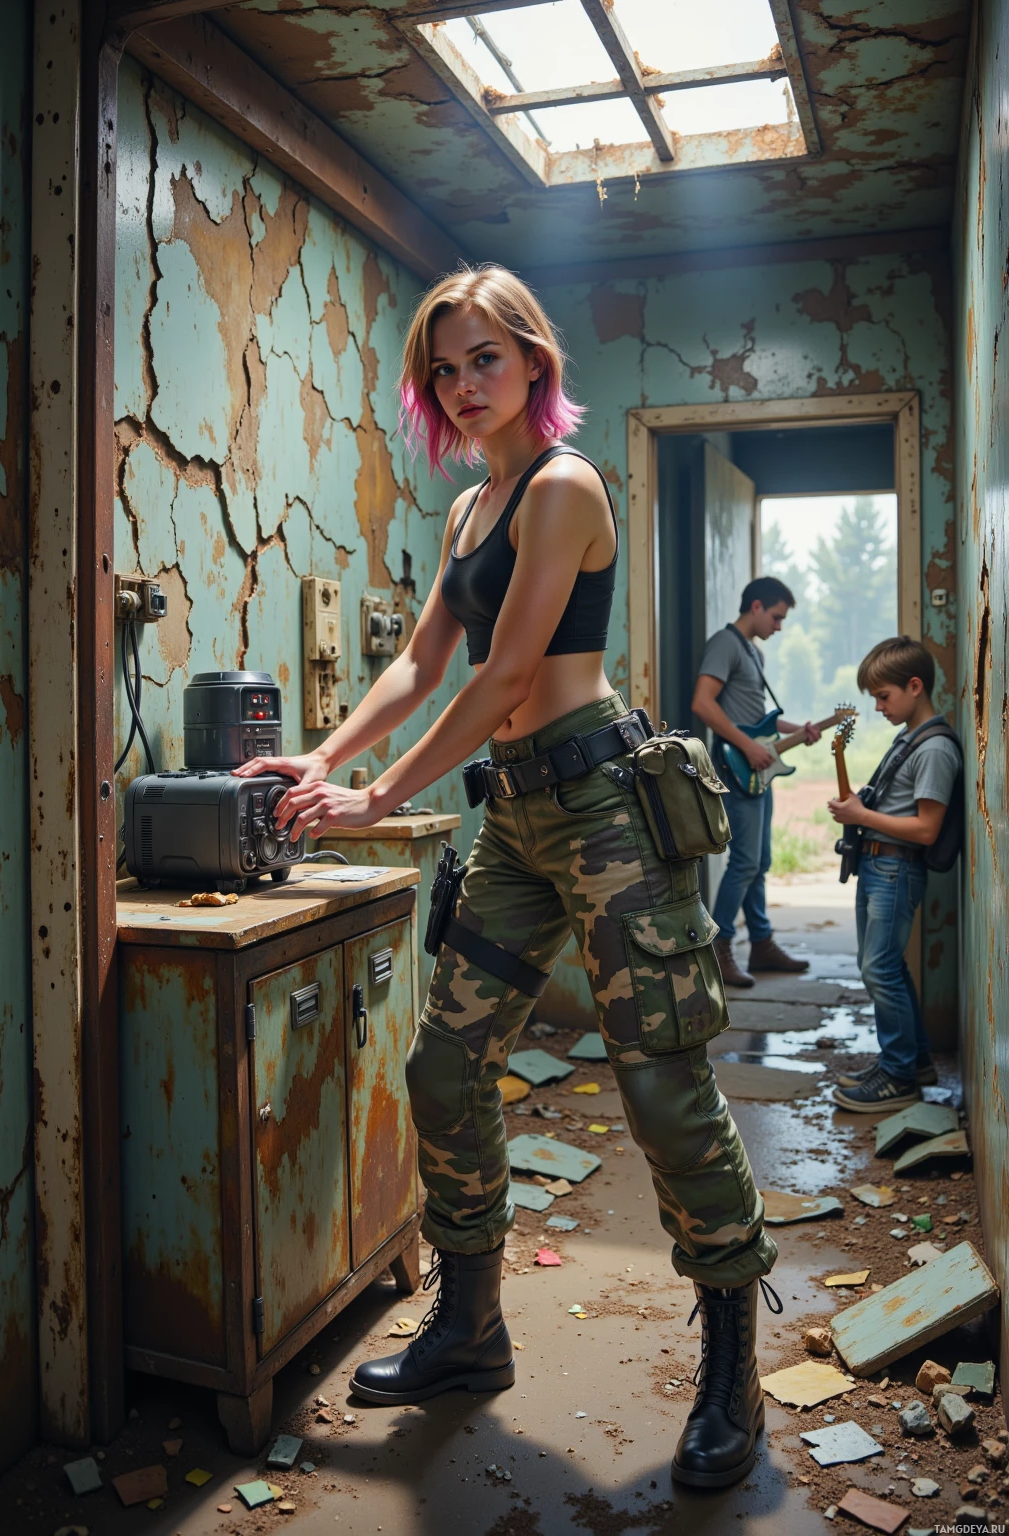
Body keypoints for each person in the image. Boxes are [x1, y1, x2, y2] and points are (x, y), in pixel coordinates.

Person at [235, 264, 779, 1490]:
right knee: (443, 1065)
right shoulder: (469, 511)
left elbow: (503, 676)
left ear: (535, 362)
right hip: (518, 824)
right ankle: (471, 1330)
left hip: (603, 810)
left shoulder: (562, 487)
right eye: (444, 366)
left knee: (662, 1092)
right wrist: (320, 754)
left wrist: (378, 799)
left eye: (486, 357)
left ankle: (731, 1370)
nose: (464, 383)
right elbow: (425, 664)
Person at [829, 636, 961, 1112]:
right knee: (883, 966)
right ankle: (911, 1060)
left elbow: (926, 829)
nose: (879, 707)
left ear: (915, 685)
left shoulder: (935, 748)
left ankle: (899, 1077)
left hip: (897, 870)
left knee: (879, 969)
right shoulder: (910, 738)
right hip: (881, 865)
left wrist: (862, 817)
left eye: (884, 696)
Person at [691, 578, 821, 988]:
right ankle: (721, 946)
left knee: (760, 862)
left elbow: (758, 720)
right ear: (758, 606)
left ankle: (762, 944)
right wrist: (747, 746)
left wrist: (799, 728)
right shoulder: (725, 644)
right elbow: (702, 703)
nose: (779, 626)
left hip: (755, 768)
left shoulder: (754, 653)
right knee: (745, 861)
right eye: (777, 617)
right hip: (734, 766)